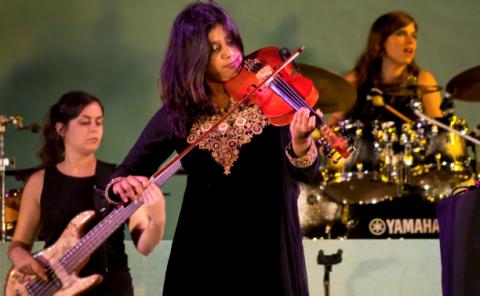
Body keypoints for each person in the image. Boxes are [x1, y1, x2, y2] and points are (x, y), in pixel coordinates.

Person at [104, 1, 323, 295]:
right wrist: (123, 183)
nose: (230, 54)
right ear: (193, 58)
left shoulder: (271, 97)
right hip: (202, 252)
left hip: (267, 247)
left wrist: (300, 142)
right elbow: (126, 171)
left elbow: (308, 173)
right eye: (214, 49)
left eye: (230, 41)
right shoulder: (179, 113)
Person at [7, 91, 166, 296]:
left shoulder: (118, 180)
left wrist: (158, 221)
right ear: (61, 129)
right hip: (54, 288)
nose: (94, 129)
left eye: (98, 122)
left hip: (112, 290)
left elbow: (144, 246)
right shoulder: (39, 181)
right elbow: (18, 244)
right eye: (85, 122)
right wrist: (19, 255)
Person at [328, 11, 443, 126]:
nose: (410, 41)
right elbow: (332, 126)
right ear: (380, 40)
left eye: (414, 36)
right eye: (401, 33)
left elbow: (441, 133)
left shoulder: (423, 80)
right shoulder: (357, 79)